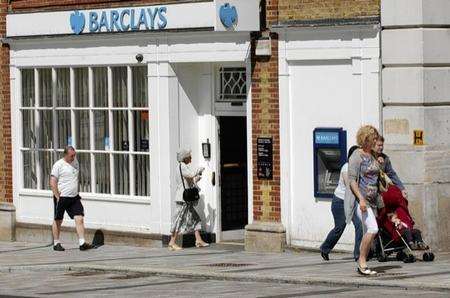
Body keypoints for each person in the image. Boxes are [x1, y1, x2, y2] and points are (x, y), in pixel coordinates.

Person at [344, 125, 383, 276]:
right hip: (361, 202)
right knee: (373, 228)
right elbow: (352, 180)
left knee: (370, 230)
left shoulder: (372, 155)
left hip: (372, 201)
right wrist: (360, 199)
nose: (375, 140)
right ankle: (361, 262)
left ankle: (362, 260)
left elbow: (376, 174)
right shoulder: (356, 155)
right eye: (373, 138)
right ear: (366, 139)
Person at [320, 145, 362, 261]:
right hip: (340, 201)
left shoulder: (359, 167)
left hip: (351, 201)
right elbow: (350, 186)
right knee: (339, 228)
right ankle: (325, 248)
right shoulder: (346, 167)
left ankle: (358, 255)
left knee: (359, 225)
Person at [50, 146, 93, 251]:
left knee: (80, 218)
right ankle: (56, 243)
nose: (73, 157)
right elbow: (52, 182)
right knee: (58, 219)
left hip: (74, 197)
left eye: (74, 155)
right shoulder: (58, 165)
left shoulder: (75, 162)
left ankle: (82, 243)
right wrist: (57, 196)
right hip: (62, 197)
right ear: (65, 155)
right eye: (71, 155)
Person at [168, 149, 210, 251]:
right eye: (190, 157)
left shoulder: (183, 167)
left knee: (195, 219)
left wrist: (196, 179)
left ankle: (198, 240)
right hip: (183, 199)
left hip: (185, 198)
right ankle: (172, 242)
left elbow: (189, 181)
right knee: (179, 219)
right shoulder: (182, 166)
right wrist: (198, 170)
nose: (191, 159)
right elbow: (190, 175)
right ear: (185, 157)